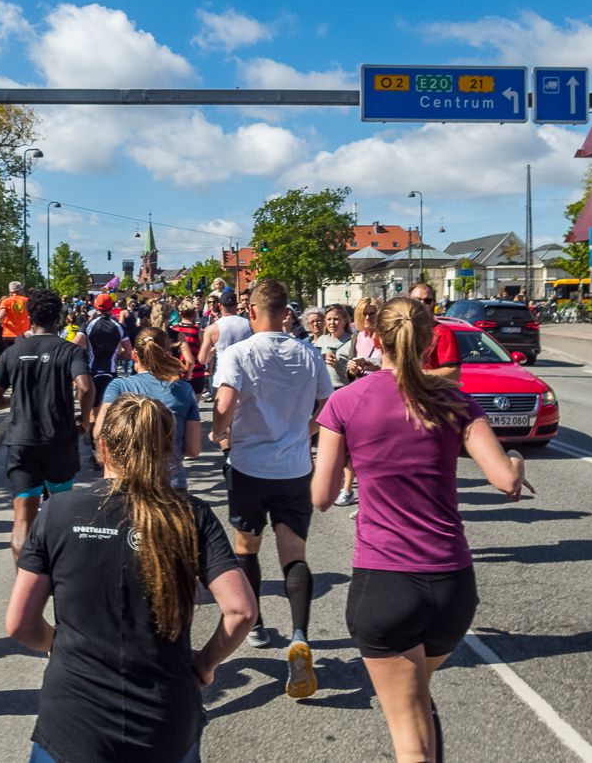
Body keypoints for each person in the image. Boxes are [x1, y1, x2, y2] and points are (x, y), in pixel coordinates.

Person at [312, 297, 534, 763]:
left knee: (408, 738)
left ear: (374, 338)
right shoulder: (456, 400)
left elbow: (322, 497)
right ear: (433, 339)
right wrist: (516, 458)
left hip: (385, 584)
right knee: (418, 705)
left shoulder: (345, 401)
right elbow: (506, 481)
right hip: (453, 587)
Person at [6, 394, 257, 763]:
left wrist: (55, 643)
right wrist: (205, 662)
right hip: (165, 725)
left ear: (103, 447)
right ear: (167, 449)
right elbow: (241, 611)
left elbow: (19, 624)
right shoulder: (193, 515)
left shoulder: (58, 512)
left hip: (72, 727)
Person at [210, 279, 333, 696]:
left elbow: (225, 405)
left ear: (251, 312)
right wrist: (306, 430)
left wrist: (217, 433)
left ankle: (258, 626)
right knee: (294, 556)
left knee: (247, 548)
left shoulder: (238, 353)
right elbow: (326, 406)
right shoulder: (309, 353)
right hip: (295, 468)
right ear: (286, 313)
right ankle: (300, 634)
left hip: (248, 467)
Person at [0, 290, 94, 560]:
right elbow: (85, 386)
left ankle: (25, 583)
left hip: (21, 442)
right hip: (59, 439)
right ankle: (59, 578)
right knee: (60, 514)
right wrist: (84, 416)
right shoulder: (70, 351)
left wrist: (18, 398)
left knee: (23, 520)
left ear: (30, 319)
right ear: (58, 318)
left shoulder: (13, 352)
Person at [95, 328, 201, 490]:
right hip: (171, 487)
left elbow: (100, 432)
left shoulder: (119, 386)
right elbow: (193, 449)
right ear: (168, 354)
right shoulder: (185, 390)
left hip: (128, 485)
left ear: (134, 356)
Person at [72, 294, 131, 462]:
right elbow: (128, 353)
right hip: (111, 373)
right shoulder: (119, 327)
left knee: (93, 412)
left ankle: (94, 450)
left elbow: (75, 346)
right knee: (109, 412)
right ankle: (108, 449)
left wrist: (85, 356)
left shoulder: (88, 325)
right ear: (111, 308)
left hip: (92, 372)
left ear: (96, 308)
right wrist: (114, 357)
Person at [198, 289, 252, 411]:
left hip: (222, 379)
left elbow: (202, 358)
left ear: (220, 306)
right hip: (246, 377)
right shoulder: (250, 324)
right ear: (236, 306)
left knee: (224, 420)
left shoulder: (212, 329)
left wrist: (214, 350)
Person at [409, 282, 461, 383]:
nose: (422, 304)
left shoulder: (442, 332)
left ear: (434, 303)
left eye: (427, 300)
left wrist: (418, 375)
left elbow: (454, 373)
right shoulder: (401, 329)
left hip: (430, 393)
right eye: (417, 300)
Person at [172, 299, 207, 400]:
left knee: (179, 404)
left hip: (178, 372)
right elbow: (203, 350)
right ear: (194, 314)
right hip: (197, 371)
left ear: (179, 314)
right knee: (194, 406)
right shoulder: (198, 330)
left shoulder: (174, 329)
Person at [347, 297, 384, 380]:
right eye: (364, 314)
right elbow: (350, 375)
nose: (367, 317)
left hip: (381, 384)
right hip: (361, 385)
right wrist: (352, 370)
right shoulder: (356, 337)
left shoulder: (386, 337)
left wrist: (377, 368)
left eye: (371, 313)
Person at [0, 280, 30, 353]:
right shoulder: (27, 301)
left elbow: (1, 316)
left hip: (8, 334)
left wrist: (2, 322)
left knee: (9, 355)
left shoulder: (6, 301)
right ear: (21, 290)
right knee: (22, 355)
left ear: (10, 291)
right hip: (23, 334)